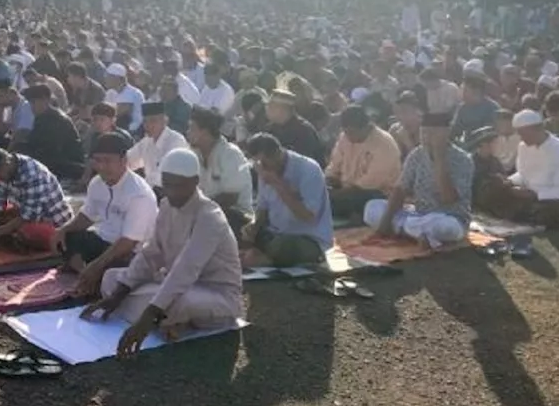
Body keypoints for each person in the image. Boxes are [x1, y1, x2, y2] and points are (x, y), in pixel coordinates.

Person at [81, 148, 245, 355]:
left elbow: (186, 269)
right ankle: (164, 320)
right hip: (173, 283)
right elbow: (152, 254)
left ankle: (156, 318)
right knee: (111, 279)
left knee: (176, 302)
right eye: (168, 185)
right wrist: (118, 294)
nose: (173, 192)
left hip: (215, 294)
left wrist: (149, 315)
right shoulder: (167, 206)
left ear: (195, 182)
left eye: (179, 186)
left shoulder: (209, 216)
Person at [54, 132, 158, 297]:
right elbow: (87, 216)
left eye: (108, 161)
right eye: (98, 160)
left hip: (129, 253)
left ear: (123, 161)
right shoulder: (97, 183)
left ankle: (89, 274)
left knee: (116, 269)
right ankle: (85, 273)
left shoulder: (139, 194)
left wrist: (97, 265)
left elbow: (128, 242)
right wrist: (64, 229)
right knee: (66, 237)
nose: (101, 167)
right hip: (103, 242)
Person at [365, 119, 473, 250]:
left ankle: (406, 230)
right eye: (424, 132)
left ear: (446, 133)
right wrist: (385, 222)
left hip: (450, 218)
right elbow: (400, 189)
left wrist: (439, 158)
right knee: (372, 208)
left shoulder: (463, 160)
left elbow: (448, 199)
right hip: (418, 214)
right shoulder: (417, 154)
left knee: (443, 228)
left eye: (432, 133)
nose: (427, 138)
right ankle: (417, 233)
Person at [241, 133, 333, 267]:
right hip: (275, 232)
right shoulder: (263, 168)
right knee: (234, 219)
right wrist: (254, 226)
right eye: (258, 163)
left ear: (277, 153)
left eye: (264, 163)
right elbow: (263, 207)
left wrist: (278, 184)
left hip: (305, 238)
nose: (262, 168)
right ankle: (261, 254)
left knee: (282, 246)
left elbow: (308, 216)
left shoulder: (309, 169)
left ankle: (266, 259)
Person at [476, 110, 559, 228]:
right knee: (490, 189)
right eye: (519, 134)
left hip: (554, 201)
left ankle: (516, 212)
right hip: (525, 195)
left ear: (537, 129)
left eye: (523, 134)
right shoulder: (523, 147)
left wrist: (535, 195)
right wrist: (508, 181)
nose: (521, 138)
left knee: (547, 212)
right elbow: (522, 174)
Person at [0, 146, 74, 253]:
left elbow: (28, 218)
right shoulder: (3, 173)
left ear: (6, 162)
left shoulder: (32, 175)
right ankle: (1, 242)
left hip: (53, 224)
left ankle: (9, 244)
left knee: (25, 232)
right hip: (27, 217)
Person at [325, 105, 403, 222]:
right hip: (346, 190)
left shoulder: (384, 143)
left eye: (351, 132)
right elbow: (334, 166)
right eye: (345, 132)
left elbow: (370, 184)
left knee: (355, 199)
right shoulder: (345, 137)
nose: (348, 136)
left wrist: (337, 194)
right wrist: (328, 180)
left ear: (366, 127)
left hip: (376, 194)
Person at [21, 84, 85, 180]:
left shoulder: (56, 119)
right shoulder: (42, 117)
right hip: (55, 159)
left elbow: (50, 150)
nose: (32, 107)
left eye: (34, 102)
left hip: (66, 164)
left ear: (45, 100)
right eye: (30, 103)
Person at [126, 101, 188, 194]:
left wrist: (141, 186)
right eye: (145, 121)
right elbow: (128, 161)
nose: (148, 125)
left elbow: (165, 176)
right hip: (149, 191)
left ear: (165, 121)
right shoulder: (146, 141)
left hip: (172, 193)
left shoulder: (176, 141)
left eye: (153, 121)